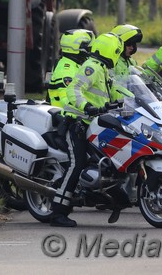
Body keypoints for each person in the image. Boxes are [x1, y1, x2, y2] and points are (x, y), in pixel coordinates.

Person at [50, 32, 124, 228]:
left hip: (95, 123)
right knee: (77, 163)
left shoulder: (103, 69)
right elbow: (73, 90)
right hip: (77, 122)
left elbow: (114, 91)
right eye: (118, 51)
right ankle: (58, 212)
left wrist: (134, 99)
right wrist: (85, 107)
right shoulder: (89, 67)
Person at [47, 29, 95, 107]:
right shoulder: (66, 71)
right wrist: (87, 107)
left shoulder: (73, 64)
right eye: (88, 48)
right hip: (64, 115)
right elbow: (67, 99)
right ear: (79, 48)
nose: (90, 51)